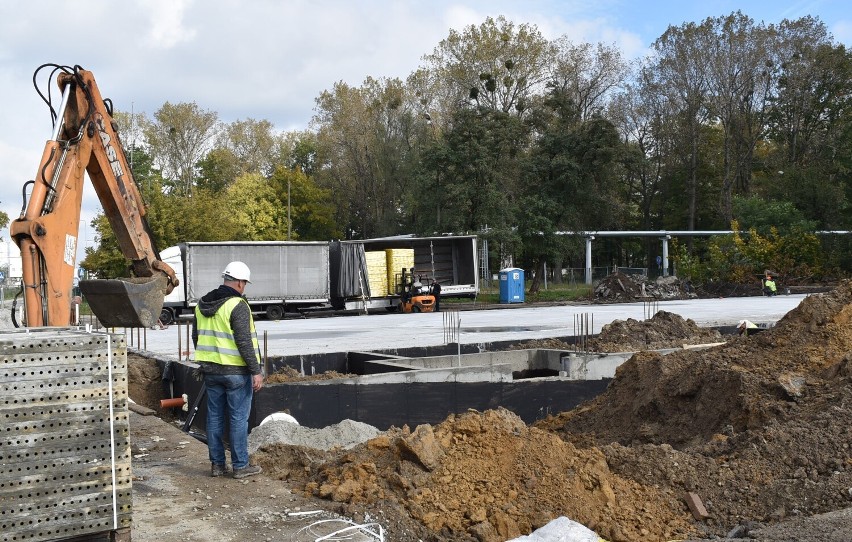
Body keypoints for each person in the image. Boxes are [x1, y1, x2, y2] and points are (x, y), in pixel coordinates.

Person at [192, 261, 264, 479]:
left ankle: (217, 465)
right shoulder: (237, 305)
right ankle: (240, 465)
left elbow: (197, 338)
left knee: (214, 417)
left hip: (211, 372)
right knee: (238, 418)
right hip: (236, 372)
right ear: (240, 282)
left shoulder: (201, 304)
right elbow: (244, 342)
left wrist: (208, 363)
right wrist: (256, 371)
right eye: (245, 283)